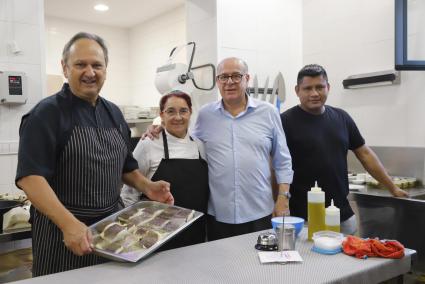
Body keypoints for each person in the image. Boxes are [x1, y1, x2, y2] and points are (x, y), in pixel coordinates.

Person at [15, 32, 173, 277]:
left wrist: (148, 186)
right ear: (65, 68)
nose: (90, 72)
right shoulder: (46, 114)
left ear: (105, 69)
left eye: (97, 65)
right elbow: (30, 178)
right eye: (80, 64)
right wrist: (69, 224)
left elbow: (126, 167)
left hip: (111, 228)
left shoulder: (113, 113)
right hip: (62, 232)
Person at [145, 57, 293, 241]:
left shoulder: (268, 112)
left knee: (258, 266)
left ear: (247, 78)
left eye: (236, 76)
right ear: (217, 82)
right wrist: (160, 128)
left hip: (259, 211)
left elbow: (283, 160)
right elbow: (186, 139)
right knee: (221, 267)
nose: (229, 82)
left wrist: (283, 198)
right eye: (223, 77)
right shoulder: (206, 115)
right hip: (219, 215)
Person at [280, 64, 408, 235]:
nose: (314, 93)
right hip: (303, 219)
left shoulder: (342, 118)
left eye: (320, 87)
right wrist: (280, 201)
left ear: (328, 87)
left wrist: (392, 188)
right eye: (307, 88)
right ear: (297, 90)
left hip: (341, 216)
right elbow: (276, 167)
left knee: (344, 260)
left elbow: (365, 154)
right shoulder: (285, 121)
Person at [121, 90, 209, 249]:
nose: (178, 117)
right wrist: (130, 230)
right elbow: (129, 191)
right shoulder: (148, 143)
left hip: (194, 230)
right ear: (161, 115)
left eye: (183, 111)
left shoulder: (199, 145)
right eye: (171, 111)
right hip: (155, 234)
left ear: (190, 113)